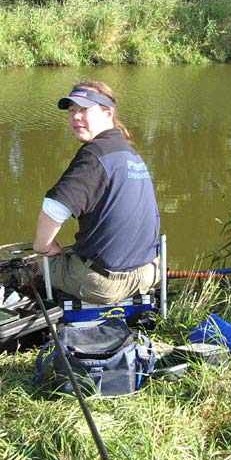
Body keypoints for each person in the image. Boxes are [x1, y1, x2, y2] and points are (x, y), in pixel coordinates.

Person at [32, 80, 160, 304]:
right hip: (149, 273)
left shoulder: (94, 155)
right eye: (72, 111)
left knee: (41, 259)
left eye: (84, 109)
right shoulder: (129, 152)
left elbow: (53, 210)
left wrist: (43, 248)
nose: (75, 117)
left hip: (107, 284)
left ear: (108, 114)